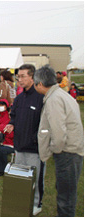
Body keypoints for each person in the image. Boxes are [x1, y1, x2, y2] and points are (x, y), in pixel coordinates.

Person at [34, 65, 83, 217]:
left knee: (65, 197)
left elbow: (59, 133)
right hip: (72, 151)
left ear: (40, 84)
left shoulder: (54, 100)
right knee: (66, 191)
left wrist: (54, 149)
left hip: (68, 153)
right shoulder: (62, 95)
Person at [4, 64, 45, 216]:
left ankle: (37, 204)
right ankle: (21, 201)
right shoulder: (19, 98)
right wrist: (11, 124)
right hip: (19, 145)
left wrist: (35, 139)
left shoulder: (41, 97)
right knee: (21, 177)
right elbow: (13, 116)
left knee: (36, 177)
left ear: (32, 77)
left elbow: (45, 123)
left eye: (22, 76)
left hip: (35, 148)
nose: (19, 80)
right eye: (18, 77)